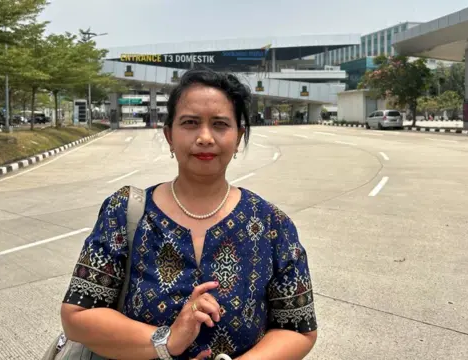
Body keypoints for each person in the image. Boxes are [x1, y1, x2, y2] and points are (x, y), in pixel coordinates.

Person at [60, 68, 318, 360]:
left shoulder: (272, 224)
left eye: (220, 124)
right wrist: (167, 339)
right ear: (169, 134)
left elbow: (298, 328)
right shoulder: (124, 212)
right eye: (190, 123)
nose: (205, 137)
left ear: (239, 136)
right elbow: (78, 316)